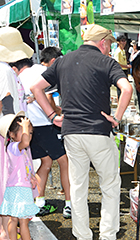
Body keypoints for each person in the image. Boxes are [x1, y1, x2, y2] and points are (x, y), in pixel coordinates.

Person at [30, 24, 132, 240]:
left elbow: (36, 88)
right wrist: (117, 117)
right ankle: (107, 235)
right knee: (110, 185)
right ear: (103, 42)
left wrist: (51, 116)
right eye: (109, 45)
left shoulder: (63, 61)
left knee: (78, 186)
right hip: (98, 131)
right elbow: (127, 88)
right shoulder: (107, 62)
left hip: (71, 132)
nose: (108, 49)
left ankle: (82, 234)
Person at [10, 47, 71, 219]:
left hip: (28, 126)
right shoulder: (43, 71)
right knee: (64, 162)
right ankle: (69, 204)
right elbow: (50, 98)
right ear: (53, 61)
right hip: (45, 124)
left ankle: (39, 202)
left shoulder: (18, 76)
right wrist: (57, 114)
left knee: (45, 162)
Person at [0, 26, 34, 240]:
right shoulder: (4, 71)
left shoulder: (4, 69)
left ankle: (6, 228)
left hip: (7, 131)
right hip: (8, 132)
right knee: (6, 181)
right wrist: (17, 130)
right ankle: (5, 230)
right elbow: (7, 104)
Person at [0, 111, 39, 240]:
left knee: (15, 219)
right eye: (23, 132)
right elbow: (26, 142)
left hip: (19, 188)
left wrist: (31, 178)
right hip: (19, 189)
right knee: (22, 221)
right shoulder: (14, 147)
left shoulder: (22, 150)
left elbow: (24, 169)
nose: (28, 135)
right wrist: (26, 128)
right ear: (11, 134)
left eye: (30, 132)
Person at [113, 35, 131, 99]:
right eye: (122, 41)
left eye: (125, 41)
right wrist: (126, 66)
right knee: (121, 89)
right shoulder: (118, 51)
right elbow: (117, 63)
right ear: (118, 42)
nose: (124, 43)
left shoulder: (123, 50)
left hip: (125, 71)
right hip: (121, 71)